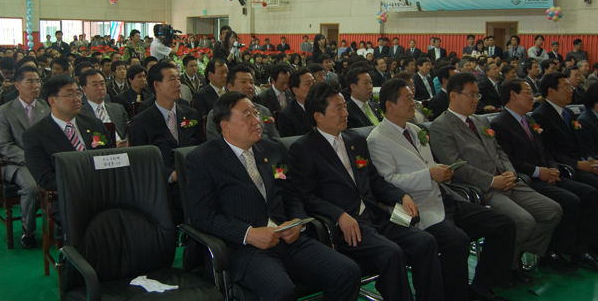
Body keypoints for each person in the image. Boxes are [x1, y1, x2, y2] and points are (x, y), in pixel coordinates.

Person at [186, 92, 361, 300]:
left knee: (347, 271)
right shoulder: (202, 159)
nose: (256, 121)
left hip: (286, 237)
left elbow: (290, 193)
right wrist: (248, 233)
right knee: (282, 291)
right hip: (243, 248)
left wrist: (297, 221)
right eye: (247, 116)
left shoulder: (272, 149)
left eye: (256, 114)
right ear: (225, 125)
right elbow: (202, 215)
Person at [288, 81, 443, 301]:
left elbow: (375, 181)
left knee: (425, 241)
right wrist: (338, 215)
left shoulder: (355, 140)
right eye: (338, 108)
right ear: (318, 116)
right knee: (392, 253)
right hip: (347, 227)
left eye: (345, 106)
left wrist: (401, 196)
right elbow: (306, 196)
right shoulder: (303, 149)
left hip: (377, 215)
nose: (346, 112)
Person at [368, 78, 516, 301]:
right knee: (457, 241)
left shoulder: (415, 129)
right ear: (390, 104)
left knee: (503, 224)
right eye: (408, 98)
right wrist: (429, 174)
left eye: (413, 97)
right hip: (415, 207)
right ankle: (455, 295)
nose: (414, 103)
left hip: (444, 196)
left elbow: (428, 165)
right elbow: (388, 181)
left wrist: (440, 172)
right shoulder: (377, 139)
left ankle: (481, 286)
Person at [430, 73, 562, 284]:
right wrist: (492, 181)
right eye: (471, 95)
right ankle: (502, 269)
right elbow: (456, 165)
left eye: (477, 95)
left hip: (509, 180)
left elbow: (499, 150)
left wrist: (510, 172)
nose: (476, 100)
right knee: (523, 221)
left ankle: (511, 258)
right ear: (453, 95)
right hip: (483, 189)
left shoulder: (480, 119)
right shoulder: (441, 126)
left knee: (552, 211)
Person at [492, 79, 598, 271]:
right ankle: (553, 251)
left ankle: (581, 248)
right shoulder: (500, 123)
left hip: (547, 174)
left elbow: (545, 151)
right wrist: (539, 171)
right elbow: (508, 159)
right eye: (528, 92)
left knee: (589, 193)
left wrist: (551, 167)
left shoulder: (529, 120)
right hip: (528, 179)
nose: (533, 96)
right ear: (513, 95)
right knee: (570, 200)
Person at [23, 75, 113, 222]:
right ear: (52, 100)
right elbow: (46, 179)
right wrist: (86, 183)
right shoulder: (35, 135)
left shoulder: (94, 124)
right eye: (70, 94)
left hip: (104, 191)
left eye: (78, 93)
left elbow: (110, 156)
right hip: (69, 198)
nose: (77, 98)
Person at [131, 61, 202, 216]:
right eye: (172, 79)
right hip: (163, 190)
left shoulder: (190, 114)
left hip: (195, 183)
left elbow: (202, 148)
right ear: (157, 85)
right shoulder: (142, 121)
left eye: (178, 78)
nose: (178, 84)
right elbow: (141, 163)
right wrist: (172, 175)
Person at [0, 66, 48, 249]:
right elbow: (4, 145)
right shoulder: (5, 110)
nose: (36, 85)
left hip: (44, 160)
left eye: (38, 81)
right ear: (17, 85)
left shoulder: (46, 107)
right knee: (32, 188)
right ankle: (29, 233)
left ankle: (58, 230)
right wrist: (30, 158)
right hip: (16, 163)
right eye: (30, 81)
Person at [532, 72, 598, 189]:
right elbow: (549, 151)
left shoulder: (567, 112)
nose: (571, 91)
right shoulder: (541, 115)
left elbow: (581, 143)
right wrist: (578, 164)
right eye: (566, 87)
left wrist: (590, 160)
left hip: (583, 162)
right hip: (567, 167)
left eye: (570, 87)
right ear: (551, 91)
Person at [206, 64, 279, 140]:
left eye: (251, 82)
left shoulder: (264, 110)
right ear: (230, 87)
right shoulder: (217, 114)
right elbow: (215, 144)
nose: (249, 86)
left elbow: (276, 139)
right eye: (243, 82)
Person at [79, 69, 128, 142]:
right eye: (95, 85)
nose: (100, 88)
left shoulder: (118, 109)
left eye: (102, 84)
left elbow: (129, 131)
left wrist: (126, 142)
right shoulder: (80, 114)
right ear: (84, 89)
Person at [277, 68, 315, 137]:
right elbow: (289, 144)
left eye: (314, 82)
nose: (313, 86)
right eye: (308, 84)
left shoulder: (325, 105)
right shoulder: (287, 115)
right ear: (295, 90)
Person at [191, 58, 229, 125]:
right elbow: (202, 122)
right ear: (210, 75)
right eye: (221, 73)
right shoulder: (200, 95)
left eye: (227, 72)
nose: (225, 76)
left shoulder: (230, 91)